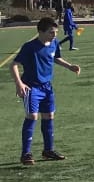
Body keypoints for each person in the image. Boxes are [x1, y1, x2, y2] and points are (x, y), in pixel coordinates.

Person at [11, 18, 81, 166]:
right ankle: (26, 154)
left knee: (49, 116)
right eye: (51, 32)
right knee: (32, 116)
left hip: (47, 87)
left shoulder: (54, 43)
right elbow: (14, 65)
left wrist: (70, 66)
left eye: (56, 32)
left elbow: (56, 58)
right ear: (41, 32)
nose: (54, 35)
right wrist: (19, 83)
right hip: (31, 87)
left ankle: (48, 150)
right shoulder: (29, 47)